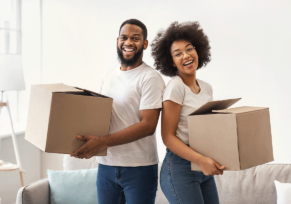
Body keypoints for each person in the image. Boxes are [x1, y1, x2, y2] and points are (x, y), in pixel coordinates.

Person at [71, 19, 165, 204]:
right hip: (106, 166)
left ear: (144, 44)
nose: (128, 42)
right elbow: (100, 117)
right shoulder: (108, 76)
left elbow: (148, 125)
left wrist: (102, 142)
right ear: (117, 41)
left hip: (139, 167)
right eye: (124, 37)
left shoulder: (150, 78)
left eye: (135, 38)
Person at [151, 21, 225, 204]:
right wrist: (201, 160)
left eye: (189, 49)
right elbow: (168, 137)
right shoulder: (175, 88)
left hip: (203, 166)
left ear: (198, 50)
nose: (186, 56)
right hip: (179, 168)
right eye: (178, 54)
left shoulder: (207, 88)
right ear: (171, 62)